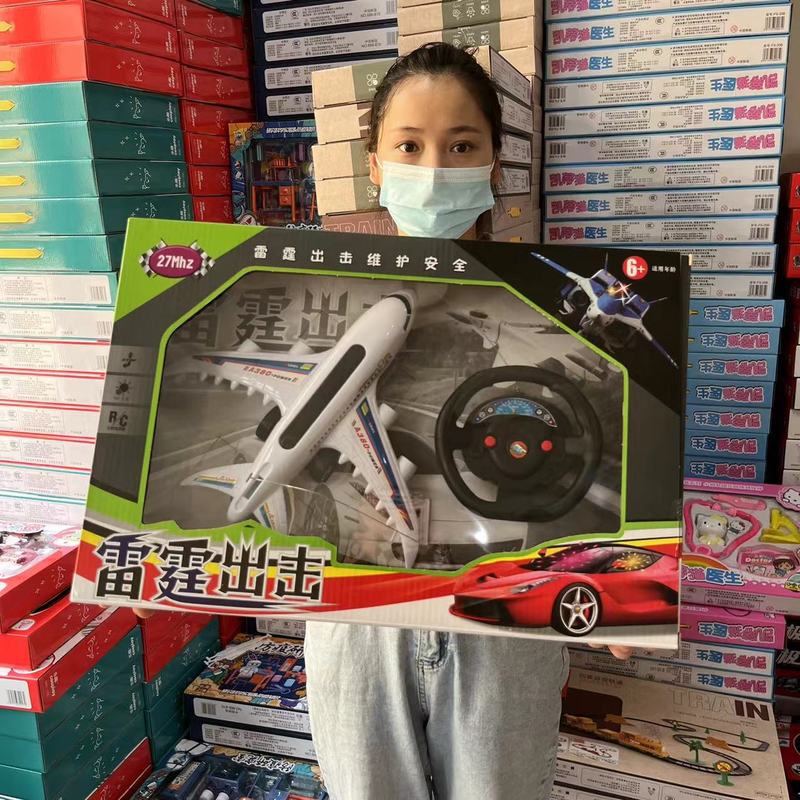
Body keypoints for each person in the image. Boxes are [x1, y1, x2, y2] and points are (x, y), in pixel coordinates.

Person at [136, 42, 632, 800]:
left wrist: (623, 592)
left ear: (495, 163)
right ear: (374, 164)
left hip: (502, 619)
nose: (433, 169)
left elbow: (600, 479)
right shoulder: (304, 290)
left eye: (460, 146)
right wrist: (171, 557)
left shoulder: (552, 315)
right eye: (408, 146)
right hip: (357, 616)